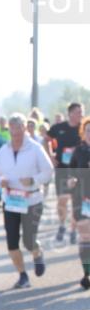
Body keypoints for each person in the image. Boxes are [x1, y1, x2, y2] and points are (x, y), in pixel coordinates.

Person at [0, 114, 54, 289]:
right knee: (12, 241)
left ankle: (37, 252)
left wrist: (33, 180)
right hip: (11, 200)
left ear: (25, 128)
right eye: (13, 129)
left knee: (28, 240)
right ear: (9, 130)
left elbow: (49, 171)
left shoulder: (35, 148)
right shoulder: (4, 150)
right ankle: (22, 276)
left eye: (19, 128)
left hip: (32, 199)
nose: (16, 133)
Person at [48, 102, 85, 245]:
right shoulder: (59, 128)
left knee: (76, 202)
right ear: (70, 113)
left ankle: (73, 229)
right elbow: (46, 139)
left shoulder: (84, 129)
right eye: (77, 112)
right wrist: (50, 156)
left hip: (77, 170)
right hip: (62, 169)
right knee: (62, 200)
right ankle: (62, 224)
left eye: (82, 112)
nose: (80, 115)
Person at [66, 117, 90, 290]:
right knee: (85, 238)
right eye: (88, 130)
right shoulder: (78, 152)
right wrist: (71, 181)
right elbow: (69, 174)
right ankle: (87, 273)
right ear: (83, 132)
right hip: (83, 199)